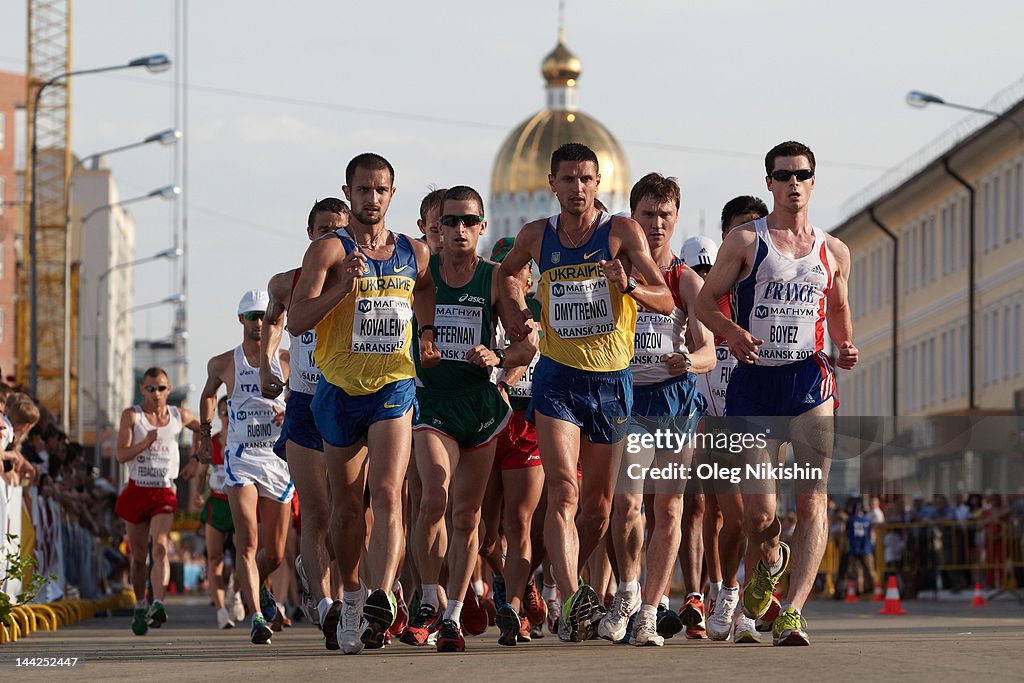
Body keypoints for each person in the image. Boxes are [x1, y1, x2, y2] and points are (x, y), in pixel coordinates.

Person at [496, 142, 673, 642]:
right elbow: (505, 274)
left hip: (611, 383)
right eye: (568, 179)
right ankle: (573, 599)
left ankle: (540, 577)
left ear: (599, 183)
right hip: (557, 380)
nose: (577, 189)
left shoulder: (620, 231)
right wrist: (517, 315)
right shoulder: (535, 236)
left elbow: (665, 298)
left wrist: (630, 287)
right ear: (551, 183)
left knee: (596, 508)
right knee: (564, 491)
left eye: (586, 179)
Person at [697, 140, 858, 646]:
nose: (793, 183)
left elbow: (836, 309)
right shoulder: (747, 241)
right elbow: (704, 302)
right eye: (783, 175)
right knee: (760, 514)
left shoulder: (833, 251)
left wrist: (846, 345)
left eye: (802, 174)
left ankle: (792, 611)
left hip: (810, 385)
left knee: (812, 502)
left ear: (813, 181)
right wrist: (732, 332)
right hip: (754, 386)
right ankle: (771, 561)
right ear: (769, 182)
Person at [288, 152, 439, 654]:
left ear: (392, 194)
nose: (372, 199)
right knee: (347, 510)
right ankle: (351, 596)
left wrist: (429, 334)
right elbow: (297, 321)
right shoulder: (329, 252)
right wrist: (342, 288)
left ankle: (379, 596)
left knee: (389, 493)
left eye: (381, 190)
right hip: (337, 391)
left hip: (393, 386)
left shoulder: (413, 251)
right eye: (363, 190)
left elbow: (425, 290)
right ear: (348, 192)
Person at [404, 186, 537, 652]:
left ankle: (454, 615)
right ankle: (425, 601)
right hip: (433, 404)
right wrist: (420, 344)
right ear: (436, 228)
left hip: (481, 409)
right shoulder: (420, 274)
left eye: (469, 221)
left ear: (482, 227)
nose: (459, 230)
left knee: (467, 516)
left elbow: (528, 344)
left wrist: (498, 354)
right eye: (451, 221)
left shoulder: (498, 278)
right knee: (434, 495)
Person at [595, 173, 714, 647]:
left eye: (666, 215)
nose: (658, 224)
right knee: (624, 504)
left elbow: (707, 351)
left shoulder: (685, 279)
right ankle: (626, 591)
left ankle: (649, 609)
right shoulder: (612, 268)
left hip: (672, 398)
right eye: (648, 214)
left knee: (669, 507)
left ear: (677, 217)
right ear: (633, 218)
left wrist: (686, 359)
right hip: (625, 397)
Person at [260, 197, 350, 650]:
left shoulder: (365, 280)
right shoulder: (287, 282)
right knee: (315, 510)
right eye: (323, 230)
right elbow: (273, 321)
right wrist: (266, 367)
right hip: (305, 404)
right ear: (310, 233)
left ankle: (339, 588)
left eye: (339, 230)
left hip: (351, 401)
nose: (331, 237)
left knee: (349, 511)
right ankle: (327, 607)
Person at [197, 291, 293, 645]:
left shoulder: (286, 361)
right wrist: (206, 434)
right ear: (241, 320)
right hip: (240, 459)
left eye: (265, 317)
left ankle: (247, 584)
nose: (258, 324)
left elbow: (305, 396)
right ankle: (256, 617)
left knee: (277, 553)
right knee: (248, 543)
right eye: (252, 317)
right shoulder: (224, 363)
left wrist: (291, 411)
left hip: (277, 461)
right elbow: (208, 394)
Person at [480, 236, 549, 645]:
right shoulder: (485, 307)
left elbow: (529, 352)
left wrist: (507, 378)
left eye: (519, 268)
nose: (512, 275)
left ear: (529, 274)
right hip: (488, 422)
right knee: (485, 536)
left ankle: (516, 612)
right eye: (503, 267)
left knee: (521, 523)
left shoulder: (541, 310)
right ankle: (512, 582)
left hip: (527, 424)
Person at [114, 366, 202, 636]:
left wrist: (197, 460)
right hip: (137, 489)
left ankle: (158, 603)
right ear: (143, 389)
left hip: (164, 490)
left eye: (161, 388)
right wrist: (146, 442)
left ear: (169, 389)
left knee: (161, 547)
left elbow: (203, 427)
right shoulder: (133, 416)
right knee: (139, 558)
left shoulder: (178, 415)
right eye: (150, 388)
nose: (156, 394)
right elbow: (120, 454)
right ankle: (141, 604)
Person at [198, 396, 238, 629]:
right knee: (214, 558)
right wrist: (197, 493)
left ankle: (236, 590)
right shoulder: (212, 443)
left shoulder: (243, 440)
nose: (227, 417)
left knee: (245, 553)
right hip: (216, 503)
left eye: (231, 412)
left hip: (239, 503)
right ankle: (221, 610)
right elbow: (202, 472)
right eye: (223, 413)